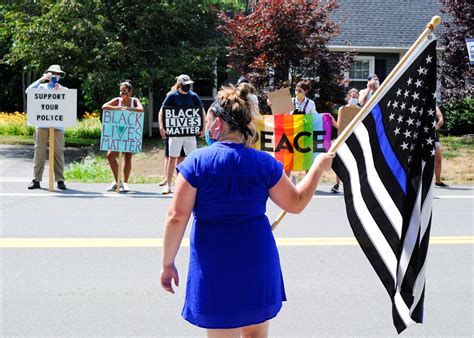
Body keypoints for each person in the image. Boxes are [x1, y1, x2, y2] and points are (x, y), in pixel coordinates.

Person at [160, 84, 334, 338]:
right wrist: (317, 167)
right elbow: (295, 203)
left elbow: (177, 217)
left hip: (213, 261)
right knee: (255, 334)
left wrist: (167, 263)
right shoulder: (265, 163)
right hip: (256, 257)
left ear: (217, 123)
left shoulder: (196, 162)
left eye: (207, 119)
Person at [158, 74, 205, 195]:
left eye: (189, 85)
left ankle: (191, 184)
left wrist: (203, 128)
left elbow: (201, 112)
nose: (188, 87)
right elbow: (162, 111)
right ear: (179, 85)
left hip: (190, 133)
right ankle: (168, 185)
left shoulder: (194, 96)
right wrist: (162, 127)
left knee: (191, 158)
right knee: (172, 158)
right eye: (185, 85)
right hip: (175, 134)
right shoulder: (172, 96)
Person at [26, 65, 68, 190]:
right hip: (42, 124)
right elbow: (28, 91)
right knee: (39, 152)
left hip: (58, 126)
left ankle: (60, 180)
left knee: (58, 153)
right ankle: (36, 180)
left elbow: (69, 101)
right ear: (47, 74)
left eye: (58, 74)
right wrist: (41, 79)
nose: (55, 76)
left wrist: (60, 90)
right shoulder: (41, 87)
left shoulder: (63, 89)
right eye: (52, 73)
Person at [102, 81, 144, 192]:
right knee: (110, 156)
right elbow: (104, 106)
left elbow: (141, 109)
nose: (122, 94)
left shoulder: (134, 101)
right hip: (118, 133)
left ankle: (125, 182)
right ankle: (117, 181)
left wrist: (127, 109)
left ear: (130, 92)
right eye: (121, 92)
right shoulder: (118, 100)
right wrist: (117, 108)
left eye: (124, 92)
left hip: (129, 132)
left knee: (128, 157)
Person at [331, 88, 360, 193]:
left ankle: (351, 184)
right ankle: (337, 184)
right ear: (348, 97)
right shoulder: (342, 109)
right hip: (342, 138)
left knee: (352, 162)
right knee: (340, 161)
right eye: (352, 96)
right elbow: (338, 125)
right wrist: (332, 120)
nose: (354, 99)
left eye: (356, 97)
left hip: (354, 139)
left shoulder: (360, 111)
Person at [434, 105, 447, 187]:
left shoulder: (434, 106)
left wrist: (435, 128)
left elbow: (441, 119)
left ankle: (438, 180)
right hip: (420, 137)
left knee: (438, 160)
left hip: (434, 137)